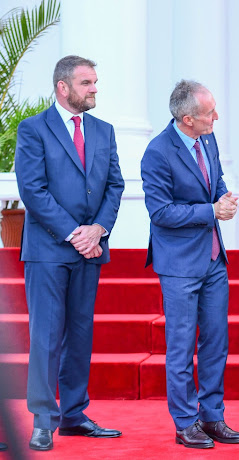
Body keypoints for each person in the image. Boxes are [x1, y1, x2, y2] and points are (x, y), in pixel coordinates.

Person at [14, 55, 125, 451]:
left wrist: (98, 230)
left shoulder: (104, 130)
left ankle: (74, 415)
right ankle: (44, 419)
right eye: (87, 83)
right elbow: (33, 190)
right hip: (48, 251)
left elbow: (114, 185)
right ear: (63, 87)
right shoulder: (33, 129)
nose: (95, 88)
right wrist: (73, 232)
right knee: (46, 337)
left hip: (90, 249)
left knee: (79, 335)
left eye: (95, 82)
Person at [141, 80, 239, 449]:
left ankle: (212, 416)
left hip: (214, 259)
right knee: (182, 346)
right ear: (187, 119)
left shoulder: (209, 139)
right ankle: (185, 422)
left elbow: (214, 180)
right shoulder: (157, 153)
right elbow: (161, 212)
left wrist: (224, 199)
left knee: (216, 341)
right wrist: (210, 211)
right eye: (209, 113)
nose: (216, 117)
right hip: (179, 264)